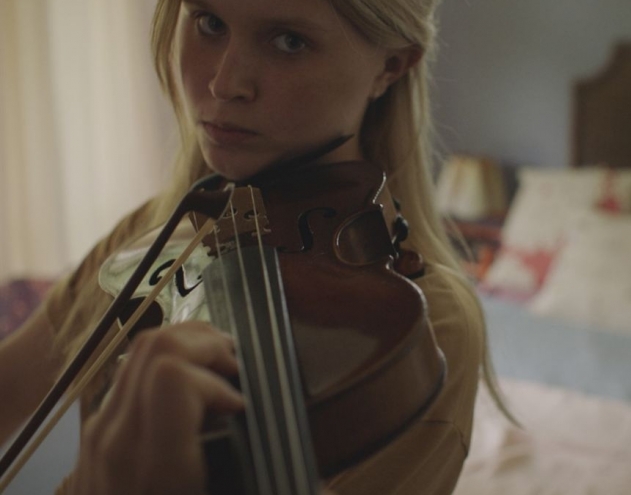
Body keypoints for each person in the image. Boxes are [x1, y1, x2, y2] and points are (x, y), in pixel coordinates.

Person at [0, 0, 502, 493]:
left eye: (289, 41)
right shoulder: (157, 235)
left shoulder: (421, 329)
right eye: (209, 22)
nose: (224, 83)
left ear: (390, 67)